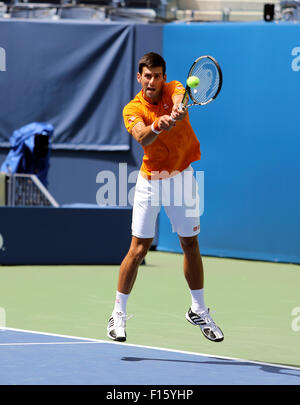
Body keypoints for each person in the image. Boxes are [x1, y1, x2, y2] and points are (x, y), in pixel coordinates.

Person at [107, 52, 224, 343]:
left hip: (182, 177)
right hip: (151, 182)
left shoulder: (174, 89)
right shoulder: (132, 108)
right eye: (147, 75)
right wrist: (160, 124)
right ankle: (117, 314)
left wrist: (177, 111)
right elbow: (142, 136)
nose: (152, 80)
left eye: (157, 75)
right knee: (138, 249)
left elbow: (179, 99)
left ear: (163, 76)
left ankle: (198, 309)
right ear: (139, 78)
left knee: (190, 244)